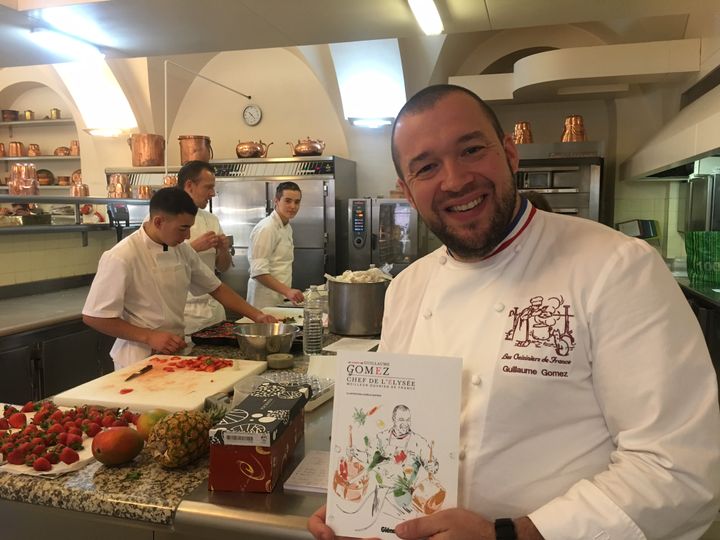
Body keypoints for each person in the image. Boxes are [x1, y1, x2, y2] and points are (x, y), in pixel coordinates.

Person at [309, 85, 720, 539]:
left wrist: (509, 535)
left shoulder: (616, 267)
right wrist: (366, 501)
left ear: (509, 153)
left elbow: (679, 468)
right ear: (407, 191)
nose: (455, 179)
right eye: (427, 167)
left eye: (471, 149)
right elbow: (400, 429)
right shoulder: (408, 288)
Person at [83, 188, 276, 370]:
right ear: (158, 222)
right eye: (183, 229)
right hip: (138, 358)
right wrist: (149, 337)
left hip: (174, 350)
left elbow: (216, 287)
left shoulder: (181, 250)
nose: (188, 236)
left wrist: (257, 316)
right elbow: (95, 316)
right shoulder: (121, 256)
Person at [178, 160, 232, 334]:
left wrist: (223, 249)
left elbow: (222, 267)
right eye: (208, 187)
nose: (213, 194)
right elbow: (160, 261)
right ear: (189, 186)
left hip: (214, 309)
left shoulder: (211, 219)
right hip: (186, 313)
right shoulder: (163, 219)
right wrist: (193, 247)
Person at [246, 181, 305, 308]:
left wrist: (287, 293)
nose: (293, 206)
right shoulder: (267, 228)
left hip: (280, 298)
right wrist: (287, 291)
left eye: (297, 202)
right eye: (288, 201)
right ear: (276, 201)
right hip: (264, 302)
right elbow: (258, 272)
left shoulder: (287, 227)